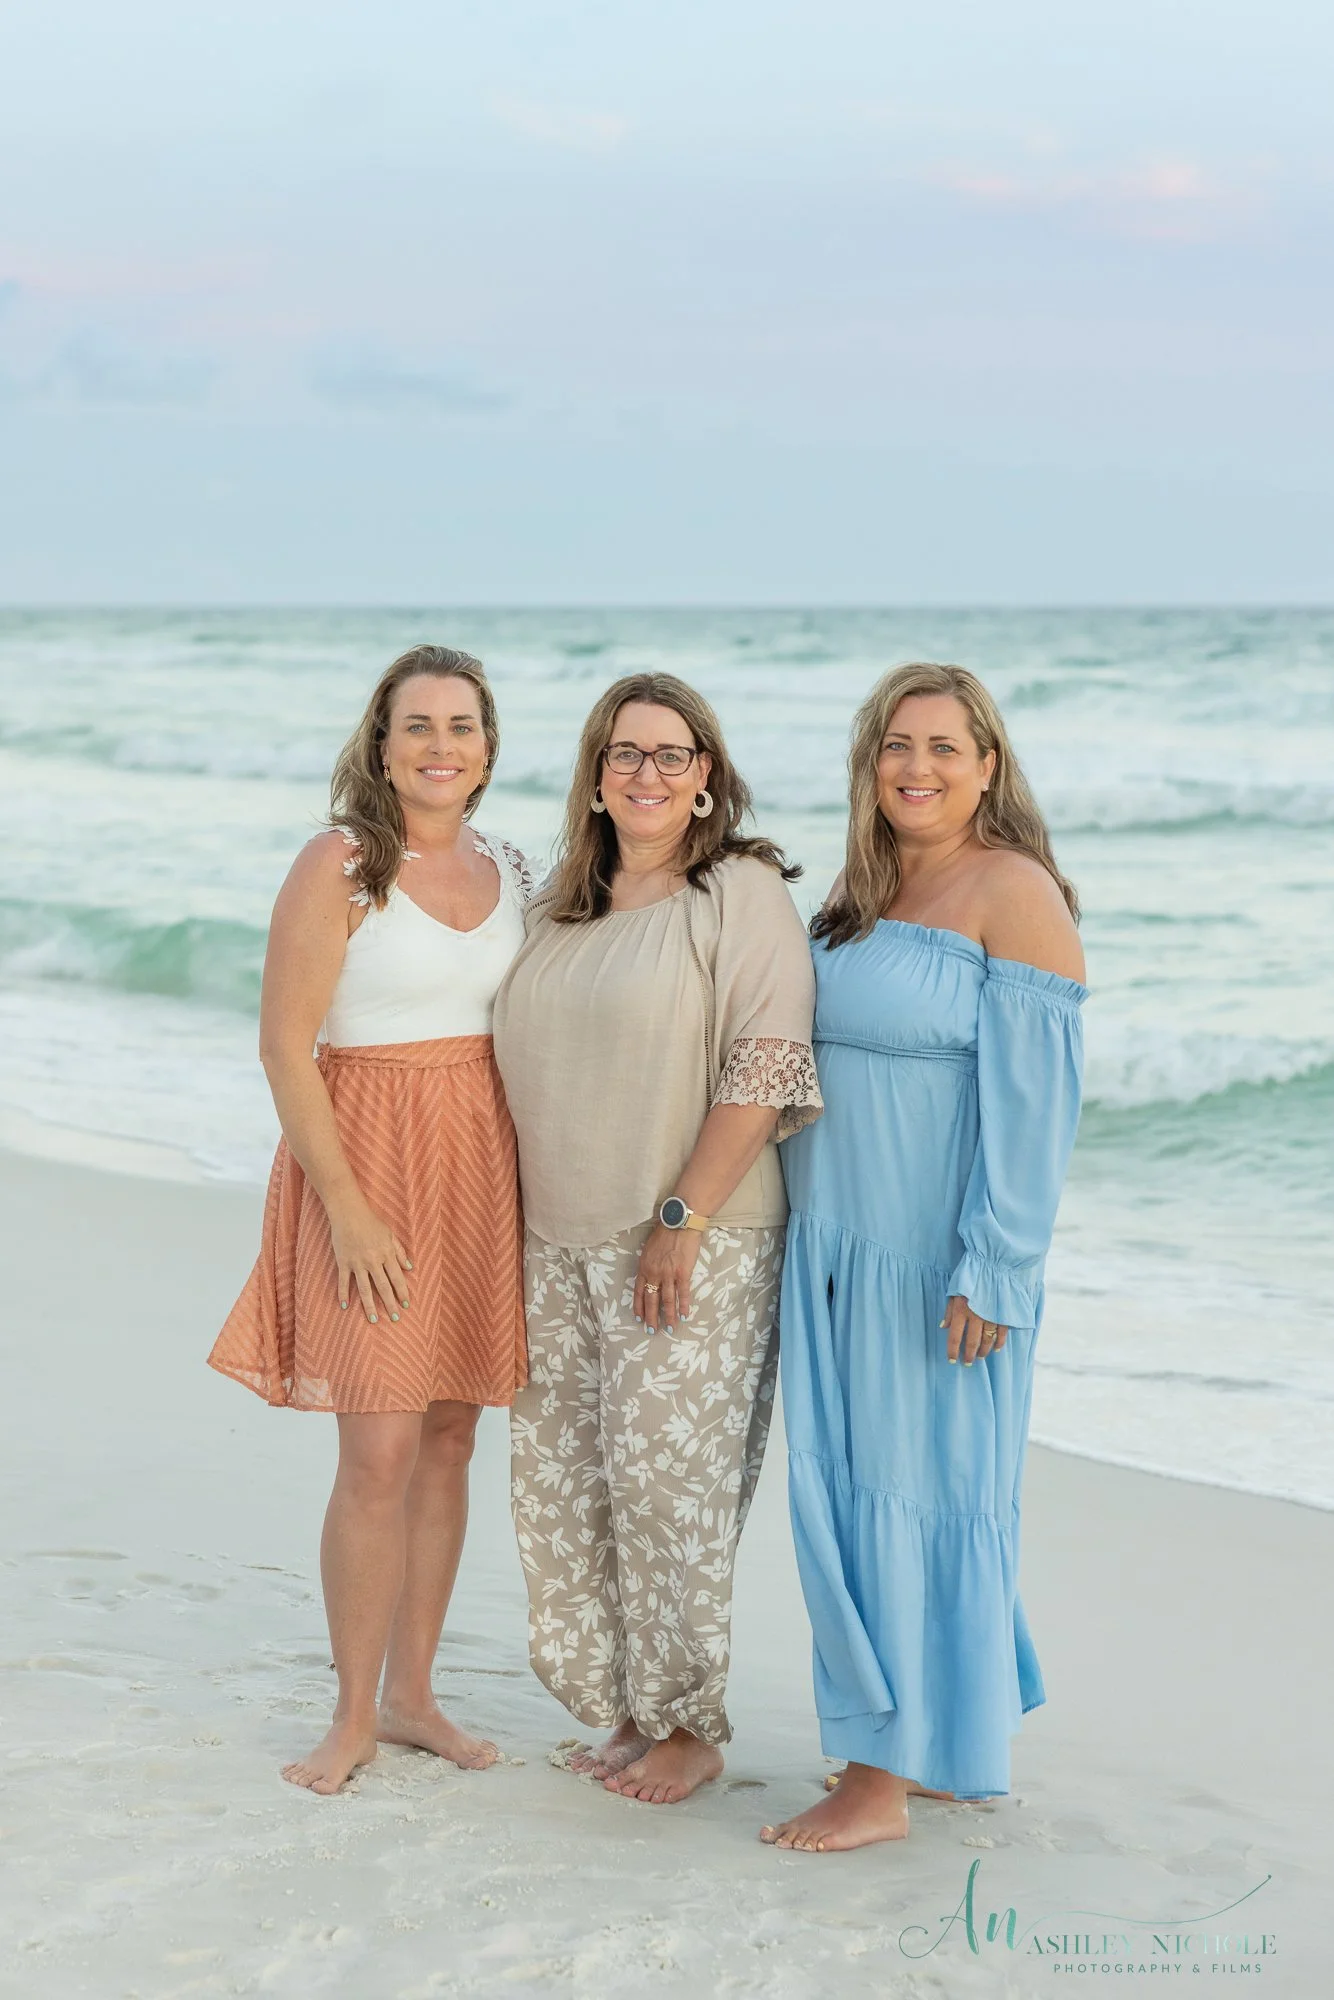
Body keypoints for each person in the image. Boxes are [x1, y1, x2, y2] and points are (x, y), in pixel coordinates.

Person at [761, 661, 1086, 1853]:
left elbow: (1033, 1106)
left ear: (987, 764)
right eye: (896, 744)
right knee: (855, 1498)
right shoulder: (864, 885)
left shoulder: (1014, 890)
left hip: (935, 1266)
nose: (916, 767)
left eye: (944, 747)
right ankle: (947, 1742)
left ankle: (877, 1777)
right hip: (833, 1251)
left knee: (918, 1496)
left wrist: (992, 1266)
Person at [493, 672, 822, 1806]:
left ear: (705, 782)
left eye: (671, 755)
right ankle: (631, 1705)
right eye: (624, 753)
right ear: (593, 779)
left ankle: (689, 1723)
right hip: (553, 1237)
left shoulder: (737, 889)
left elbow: (766, 1060)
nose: (646, 772)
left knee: (669, 1490)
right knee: (574, 1482)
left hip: (695, 1233)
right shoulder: (555, 909)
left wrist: (679, 1218)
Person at [208, 644, 530, 1795]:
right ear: (380, 745)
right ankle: (349, 1712)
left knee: (450, 1434)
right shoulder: (339, 863)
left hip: (479, 1167)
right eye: (417, 726)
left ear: (488, 747)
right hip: (367, 1167)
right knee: (380, 1447)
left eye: (461, 725)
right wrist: (344, 1206)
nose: (441, 745)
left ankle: (413, 1694)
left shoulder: (516, 866)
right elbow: (282, 1046)